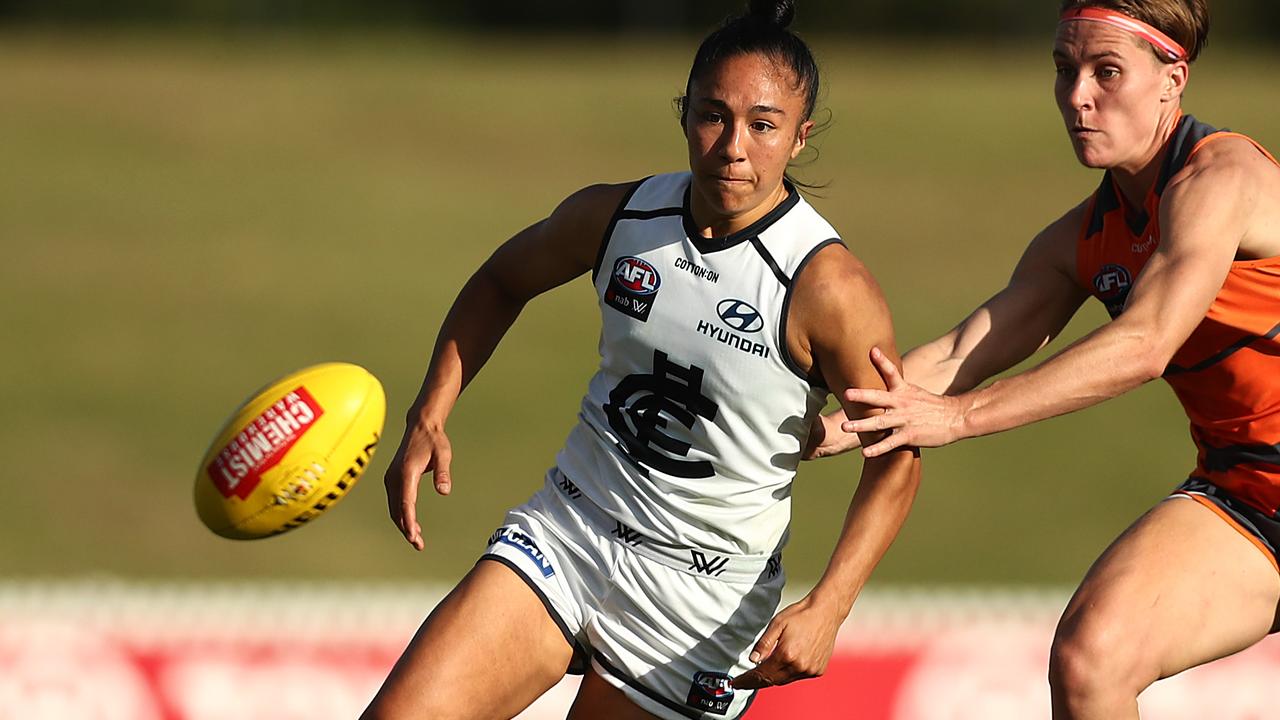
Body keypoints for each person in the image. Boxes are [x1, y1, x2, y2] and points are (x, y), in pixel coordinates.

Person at [361, 2, 921, 718]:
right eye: (713, 115)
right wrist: (430, 412)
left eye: (763, 124)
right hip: (569, 532)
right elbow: (503, 279)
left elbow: (897, 456)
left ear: (800, 138)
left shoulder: (828, 288)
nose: (733, 147)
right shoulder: (621, 217)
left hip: (700, 602)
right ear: (685, 113)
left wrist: (832, 604)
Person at [808, 1, 1280, 717]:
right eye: (1065, 70)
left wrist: (958, 419)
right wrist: (817, 431)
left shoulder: (1225, 178)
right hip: (1249, 500)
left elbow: (1146, 342)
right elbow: (962, 351)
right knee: (1092, 658)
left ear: (1171, 79)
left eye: (1107, 71)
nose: (1078, 96)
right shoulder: (1082, 240)